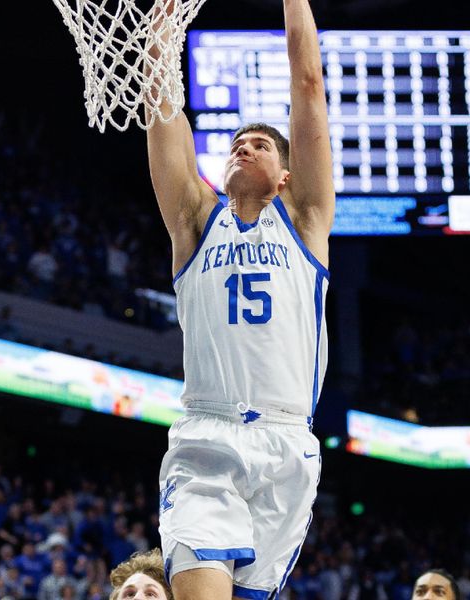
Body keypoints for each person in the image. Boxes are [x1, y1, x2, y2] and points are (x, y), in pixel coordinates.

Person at [145, 0, 333, 596]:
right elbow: (162, 105)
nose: (242, 147)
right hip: (208, 437)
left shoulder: (304, 220)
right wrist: (162, 33)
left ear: (286, 175)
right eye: (235, 143)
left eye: (259, 144)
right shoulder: (195, 222)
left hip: (287, 445)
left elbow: (307, 83)